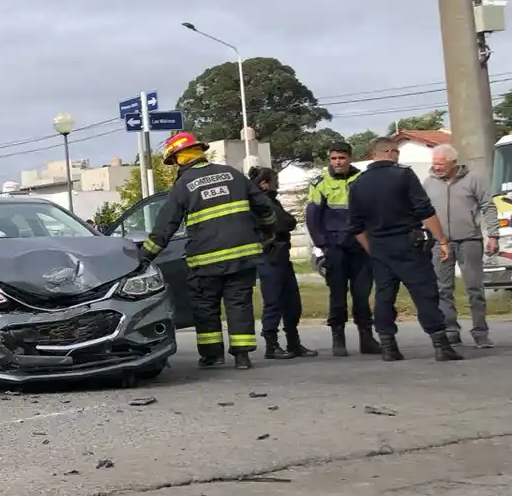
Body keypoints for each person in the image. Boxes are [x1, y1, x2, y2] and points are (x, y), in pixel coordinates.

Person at [140, 132, 276, 370]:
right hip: (242, 256)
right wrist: (267, 232)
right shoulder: (233, 174)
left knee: (205, 307)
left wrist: (144, 257)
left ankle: (213, 355)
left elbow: (165, 227)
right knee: (239, 304)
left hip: (206, 260)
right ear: (199, 152)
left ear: (179, 159)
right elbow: (264, 207)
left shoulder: (183, 186)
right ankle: (242, 357)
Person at [346, 137, 460, 362]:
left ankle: (388, 346)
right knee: (424, 292)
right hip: (408, 244)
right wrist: (442, 240)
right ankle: (440, 344)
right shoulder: (403, 175)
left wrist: (372, 248)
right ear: (391, 152)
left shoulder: (357, 184)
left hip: (378, 246)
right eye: (396, 152)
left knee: (384, 296)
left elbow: (356, 226)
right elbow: (424, 210)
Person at [306, 143, 380, 357]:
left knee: (362, 294)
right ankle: (338, 338)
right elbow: (313, 217)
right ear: (329, 160)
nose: (337, 162)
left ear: (350, 158)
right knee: (337, 295)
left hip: (360, 248)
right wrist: (322, 245)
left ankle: (366, 337)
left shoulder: (363, 180)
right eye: (334, 158)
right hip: (335, 248)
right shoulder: (321, 183)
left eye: (342, 158)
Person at [423, 144, 497, 349]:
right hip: (440, 243)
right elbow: (422, 211)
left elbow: (488, 206)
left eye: (441, 164)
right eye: (434, 164)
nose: (436, 168)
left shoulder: (474, 179)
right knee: (443, 288)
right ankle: (451, 330)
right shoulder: (428, 183)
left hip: (470, 240)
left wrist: (493, 235)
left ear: (453, 162)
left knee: (475, 288)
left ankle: (480, 332)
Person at [249, 166, 316, 360]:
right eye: (275, 181)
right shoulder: (259, 203)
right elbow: (285, 222)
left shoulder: (271, 201)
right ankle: (272, 345)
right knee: (274, 302)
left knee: (292, 302)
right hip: (269, 257)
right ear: (264, 184)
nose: (277, 184)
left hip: (281, 256)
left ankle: (293, 343)